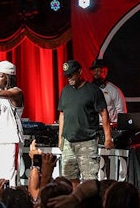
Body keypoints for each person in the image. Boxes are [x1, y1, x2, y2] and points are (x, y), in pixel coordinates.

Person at [58, 60, 114, 189]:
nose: (69, 78)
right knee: (69, 178)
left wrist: (108, 137)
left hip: (87, 141)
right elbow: (62, 114)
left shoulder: (93, 90)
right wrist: (60, 137)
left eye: (71, 74)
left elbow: (104, 112)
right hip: (68, 141)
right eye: (67, 76)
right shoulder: (65, 91)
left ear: (80, 72)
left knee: (90, 179)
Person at [89, 59, 127, 124]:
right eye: (93, 70)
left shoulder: (114, 90)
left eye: (98, 70)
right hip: (92, 127)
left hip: (109, 127)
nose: (95, 73)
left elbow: (121, 113)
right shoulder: (88, 90)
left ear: (105, 71)